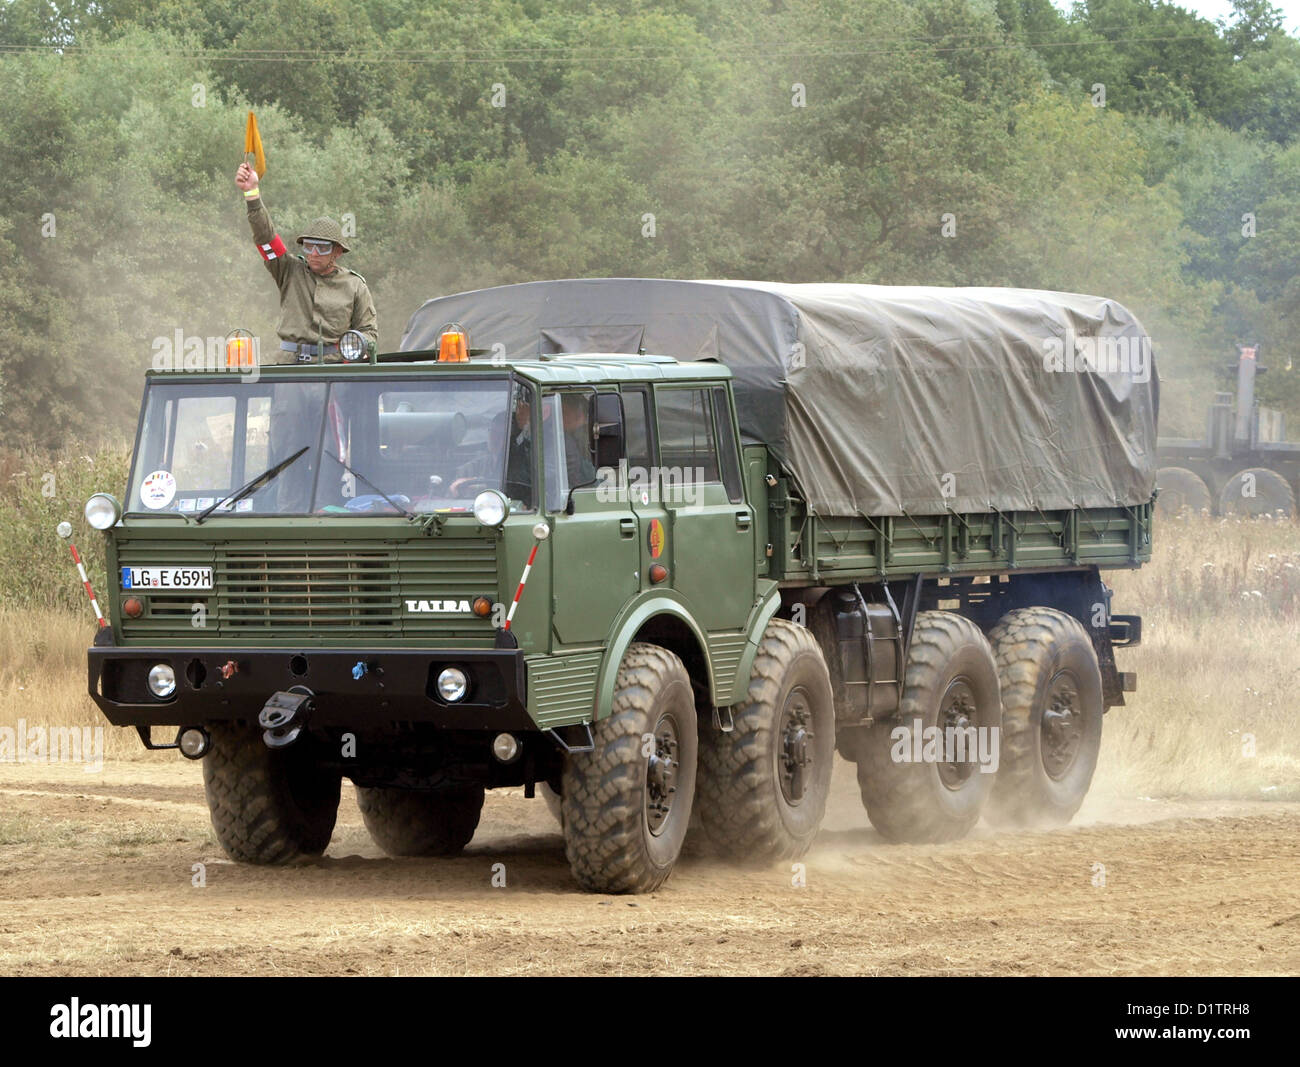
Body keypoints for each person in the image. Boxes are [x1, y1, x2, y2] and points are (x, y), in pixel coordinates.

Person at [234, 162, 377, 365]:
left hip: (334, 367)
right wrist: (252, 194)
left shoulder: (354, 285)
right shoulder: (289, 271)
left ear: (337, 251)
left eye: (322, 248)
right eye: (309, 246)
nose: (314, 254)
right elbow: (265, 238)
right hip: (289, 366)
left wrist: (354, 350)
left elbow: (368, 332)